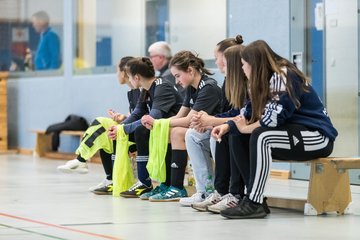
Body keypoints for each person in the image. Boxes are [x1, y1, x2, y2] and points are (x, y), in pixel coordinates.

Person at [212, 40, 338, 219]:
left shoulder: (284, 74)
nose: (242, 69)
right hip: (293, 133)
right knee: (236, 134)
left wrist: (243, 128)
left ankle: (253, 202)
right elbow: (246, 113)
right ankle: (256, 199)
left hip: (316, 136)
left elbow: (273, 119)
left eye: (243, 64)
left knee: (262, 136)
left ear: (253, 64)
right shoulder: (262, 81)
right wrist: (228, 126)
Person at [141, 51, 222, 202]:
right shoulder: (192, 88)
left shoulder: (208, 87)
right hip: (202, 130)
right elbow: (180, 116)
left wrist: (158, 122)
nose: (176, 81)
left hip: (217, 131)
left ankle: (186, 188)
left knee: (178, 132)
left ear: (190, 70)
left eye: (178, 76)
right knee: (169, 131)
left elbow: (188, 120)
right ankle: (168, 184)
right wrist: (159, 125)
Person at [179, 36, 247, 208]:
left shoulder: (214, 85)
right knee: (192, 135)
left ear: (228, 59)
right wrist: (208, 123)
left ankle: (230, 191)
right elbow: (230, 113)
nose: (216, 63)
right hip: (230, 124)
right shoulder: (227, 82)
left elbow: (244, 116)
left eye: (217, 58)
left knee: (221, 135)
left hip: (245, 129)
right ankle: (206, 190)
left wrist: (211, 122)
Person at [57, 56, 139, 194]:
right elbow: (136, 116)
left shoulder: (141, 91)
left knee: (102, 123)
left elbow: (144, 117)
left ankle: (81, 159)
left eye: (117, 70)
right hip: (133, 130)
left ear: (124, 72)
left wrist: (123, 123)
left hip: (142, 135)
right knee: (105, 132)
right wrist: (123, 118)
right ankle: (110, 179)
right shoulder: (132, 92)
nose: (116, 74)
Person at [107, 57, 183, 198]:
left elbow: (153, 118)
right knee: (118, 135)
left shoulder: (162, 86)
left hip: (174, 126)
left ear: (136, 77)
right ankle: (113, 179)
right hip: (160, 128)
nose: (129, 79)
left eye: (129, 76)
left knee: (141, 130)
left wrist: (123, 129)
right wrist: (120, 128)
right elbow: (138, 113)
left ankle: (145, 182)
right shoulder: (145, 89)